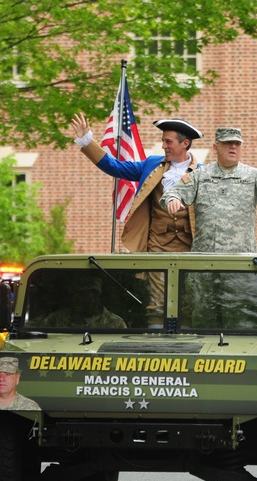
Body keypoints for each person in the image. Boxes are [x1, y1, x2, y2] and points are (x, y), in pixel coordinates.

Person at [71, 113, 204, 324]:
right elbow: (115, 167)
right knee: (159, 304)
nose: (164, 146)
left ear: (185, 143)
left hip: (191, 246)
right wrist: (88, 141)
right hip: (158, 245)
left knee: (187, 303)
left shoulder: (203, 173)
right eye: (163, 141)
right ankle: (157, 342)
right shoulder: (151, 165)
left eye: (168, 141)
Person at [162, 127, 257, 253]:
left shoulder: (253, 176)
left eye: (237, 143)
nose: (233, 147)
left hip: (241, 262)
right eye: (227, 143)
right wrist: (173, 199)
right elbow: (173, 193)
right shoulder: (200, 175)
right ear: (215, 147)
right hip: (206, 260)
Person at [37, 278, 126, 328]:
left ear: (97, 297)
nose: (80, 299)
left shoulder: (115, 323)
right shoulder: (56, 319)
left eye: (85, 294)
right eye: (76, 294)